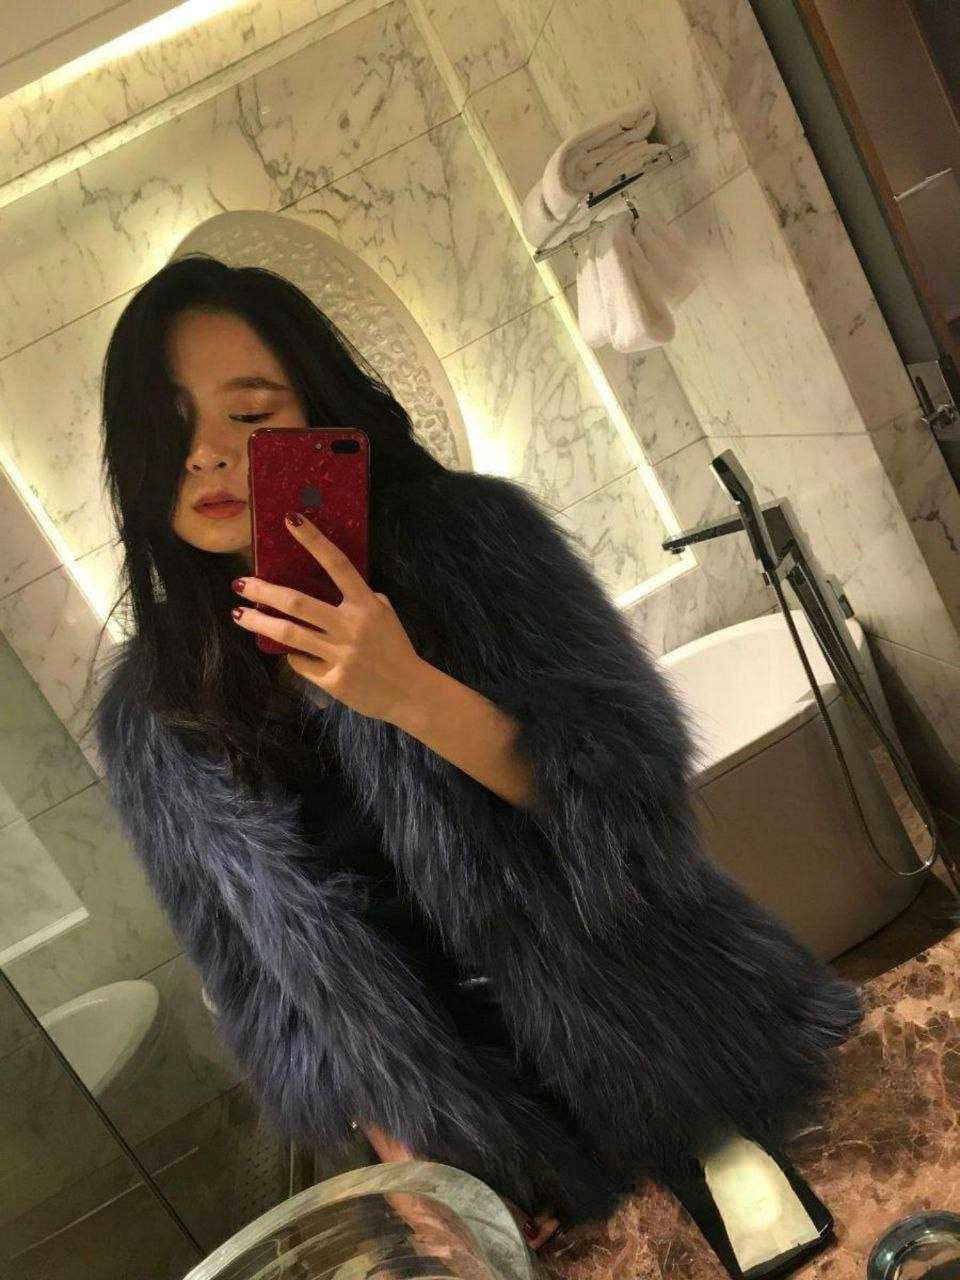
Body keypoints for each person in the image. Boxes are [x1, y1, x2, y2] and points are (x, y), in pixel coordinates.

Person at [85, 253, 864, 1267]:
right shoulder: (151, 718)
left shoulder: (470, 541)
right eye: (170, 423)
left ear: (318, 411)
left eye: (251, 413)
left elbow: (631, 797)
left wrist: (406, 689)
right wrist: (407, 1159)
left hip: (680, 1048)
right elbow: (265, 993)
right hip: (491, 1155)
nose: (206, 454)